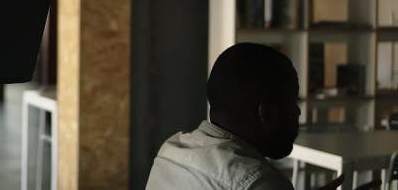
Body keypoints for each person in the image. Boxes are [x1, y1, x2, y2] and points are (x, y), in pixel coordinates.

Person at [146, 43, 380, 190]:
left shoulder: (171, 150)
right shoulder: (255, 181)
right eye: (292, 102)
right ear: (266, 114)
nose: (298, 112)